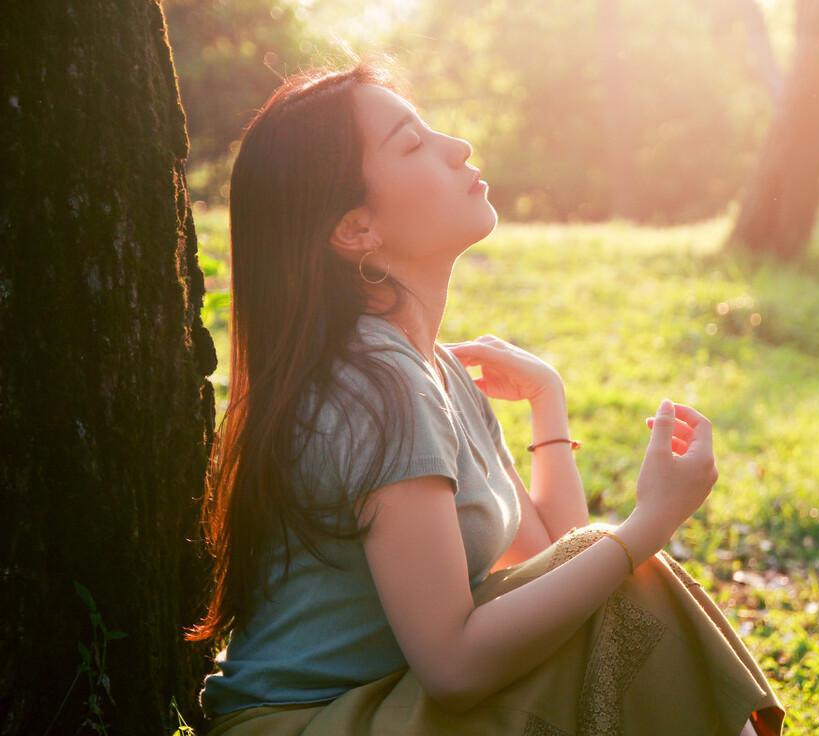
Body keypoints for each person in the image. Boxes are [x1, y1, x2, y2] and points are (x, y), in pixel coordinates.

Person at [186, 56, 787, 736]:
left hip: (386, 704)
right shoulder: (376, 388)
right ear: (356, 229)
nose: (458, 147)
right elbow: (455, 666)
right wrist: (649, 524)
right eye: (412, 145)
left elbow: (555, 564)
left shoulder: (428, 368)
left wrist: (547, 404)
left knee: (624, 586)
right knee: (633, 584)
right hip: (309, 725)